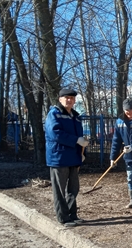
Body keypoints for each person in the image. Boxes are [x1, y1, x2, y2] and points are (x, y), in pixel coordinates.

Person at [45, 88, 88, 227]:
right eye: (66, 97)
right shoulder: (54, 114)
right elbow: (55, 134)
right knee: (59, 189)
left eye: (72, 98)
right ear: (60, 99)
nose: (69, 100)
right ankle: (63, 217)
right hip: (59, 157)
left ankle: (72, 214)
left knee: (73, 188)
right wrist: (76, 140)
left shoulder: (75, 116)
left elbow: (79, 136)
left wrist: (82, 153)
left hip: (74, 157)